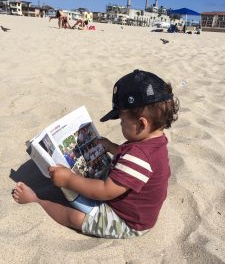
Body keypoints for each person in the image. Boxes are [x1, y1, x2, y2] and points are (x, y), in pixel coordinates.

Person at [12, 69, 179, 239]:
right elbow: (132, 159)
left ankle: (36, 200)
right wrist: (112, 147)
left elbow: (105, 191)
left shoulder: (139, 156)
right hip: (131, 205)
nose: (121, 125)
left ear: (142, 124)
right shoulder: (155, 142)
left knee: (75, 218)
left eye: (122, 121)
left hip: (129, 221)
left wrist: (69, 179)